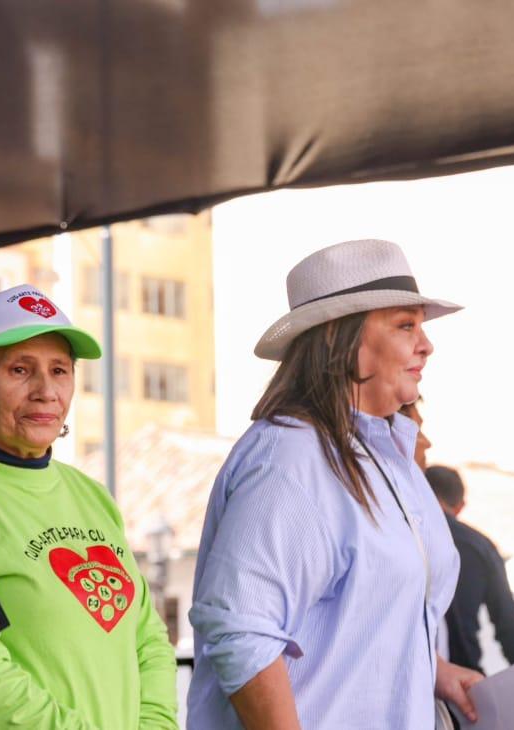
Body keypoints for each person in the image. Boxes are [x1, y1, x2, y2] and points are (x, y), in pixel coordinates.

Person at [187, 239, 484, 729]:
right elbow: (241, 630)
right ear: (339, 340)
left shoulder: (390, 458)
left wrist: (435, 671)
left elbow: (363, 624)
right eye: (406, 325)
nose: (426, 344)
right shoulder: (291, 458)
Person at [0, 284, 179, 728]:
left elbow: (148, 637)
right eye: (20, 370)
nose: (46, 391)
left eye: (60, 370)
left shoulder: (92, 496)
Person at [425, 465, 514, 674]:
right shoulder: (480, 547)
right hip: (464, 680)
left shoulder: (399, 535)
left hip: (409, 680)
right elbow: (509, 625)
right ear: (460, 506)